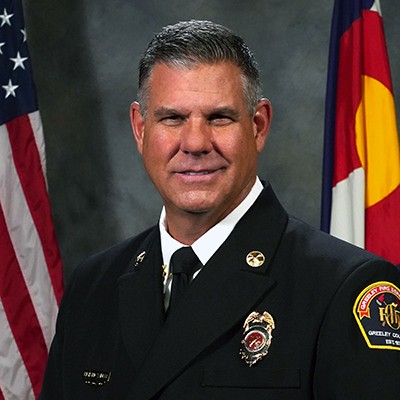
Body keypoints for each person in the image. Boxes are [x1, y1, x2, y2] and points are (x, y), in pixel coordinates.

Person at [40, 20, 400, 399]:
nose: (195, 143)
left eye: (219, 118)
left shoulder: (342, 288)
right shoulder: (93, 287)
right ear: (140, 128)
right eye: (172, 118)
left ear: (258, 126)